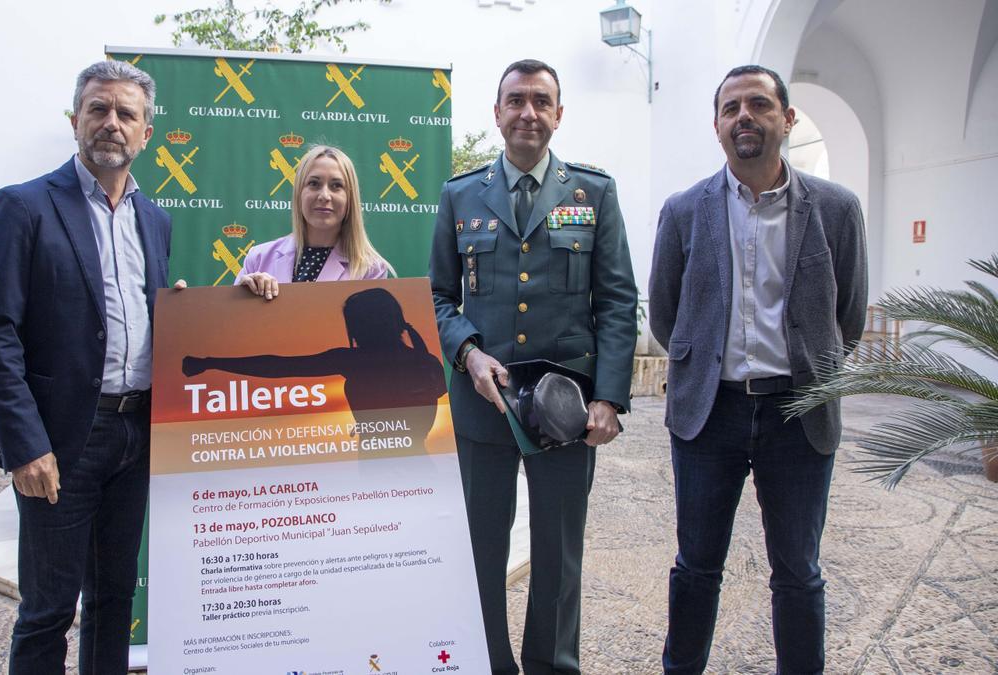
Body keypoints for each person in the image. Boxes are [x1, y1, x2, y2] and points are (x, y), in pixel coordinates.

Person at [648, 65, 867, 674]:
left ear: (787, 119)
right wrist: (707, 365)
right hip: (708, 414)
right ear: (717, 126)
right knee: (696, 565)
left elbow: (846, 317)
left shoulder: (836, 209)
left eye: (760, 105)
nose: (744, 116)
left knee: (798, 570)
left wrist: (805, 370)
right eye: (731, 108)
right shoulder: (685, 210)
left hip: (799, 414)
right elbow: (667, 316)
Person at [0, 60, 181, 674]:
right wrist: (24, 446)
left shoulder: (156, 220)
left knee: (115, 599)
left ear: (147, 133)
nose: (111, 123)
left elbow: (147, 320)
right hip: (61, 442)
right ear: (75, 121)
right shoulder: (23, 206)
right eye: (99, 109)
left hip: (135, 434)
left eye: (126, 114)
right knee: (47, 610)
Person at [428, 59, 638, 675]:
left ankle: (552, 667)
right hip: (483, 407)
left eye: (540, 101)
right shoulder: (460, 194)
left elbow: (618, 299)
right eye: (515, 100)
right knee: (482, 554)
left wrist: (610, 397)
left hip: (565, 409)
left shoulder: (593, 193)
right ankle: (489, 664)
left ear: (558, 114)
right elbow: (439, 296)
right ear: (496, 114)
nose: (527, 112)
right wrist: (467, 352)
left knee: (558, 556)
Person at [182, 287, 446, 443]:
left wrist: (212, 362)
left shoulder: (354, 360)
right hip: (419, 470)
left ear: (356, 327)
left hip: (375, 471)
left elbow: (278, 367)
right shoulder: (428, 363)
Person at [236, 144, 393, 299]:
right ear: (299, 193)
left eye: (336, 186)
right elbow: (233, 322)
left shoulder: (372, 271)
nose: (324, 195)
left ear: (350, 198)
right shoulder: (258, 258)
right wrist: (241, 298)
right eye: (314, 184)